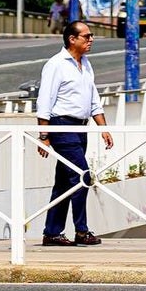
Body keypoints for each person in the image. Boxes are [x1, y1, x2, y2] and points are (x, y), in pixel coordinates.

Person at [35, 20, 113, 246]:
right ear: (72, 39)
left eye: (91, 36)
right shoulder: (56, 64)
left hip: (81, 127)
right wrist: (44, 136)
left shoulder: (86, 64)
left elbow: (93, 99)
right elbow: (44, 101)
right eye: (86, 36)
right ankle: (81, 231)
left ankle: (51, 233)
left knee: (63, 182)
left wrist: (103, 128)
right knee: (83, 176)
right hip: (62, 126)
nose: (91, 40)